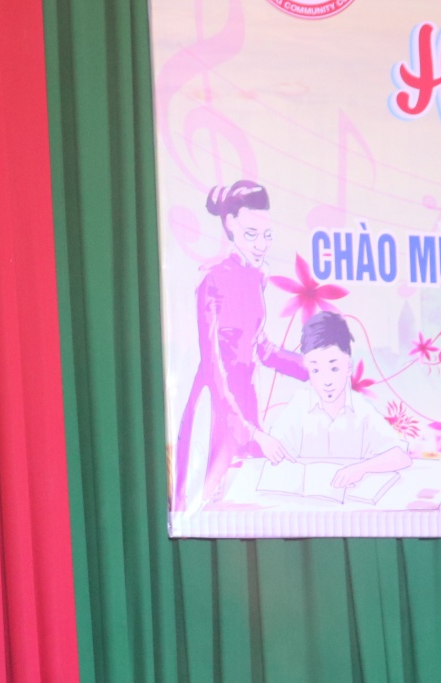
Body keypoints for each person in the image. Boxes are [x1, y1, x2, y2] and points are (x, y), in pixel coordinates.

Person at [172, 180, 307, 508]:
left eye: (267, 235)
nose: (261, 245)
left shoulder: (256, 276)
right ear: (230, 224)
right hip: (216, 409)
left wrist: (312, 368)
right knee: (205, 506)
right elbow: (214, 369)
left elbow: (261, 347)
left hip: (247, 405)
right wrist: (252, 433)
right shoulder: (213, 280)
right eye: (251, 234)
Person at [261, 311, 410, 489]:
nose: (326, 381)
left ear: (349, 366)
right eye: (316, 370)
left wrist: (360, 469)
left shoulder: (361, 409)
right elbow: (276, 452)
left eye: (334, 368)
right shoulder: (300, 403)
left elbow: (401, 457)